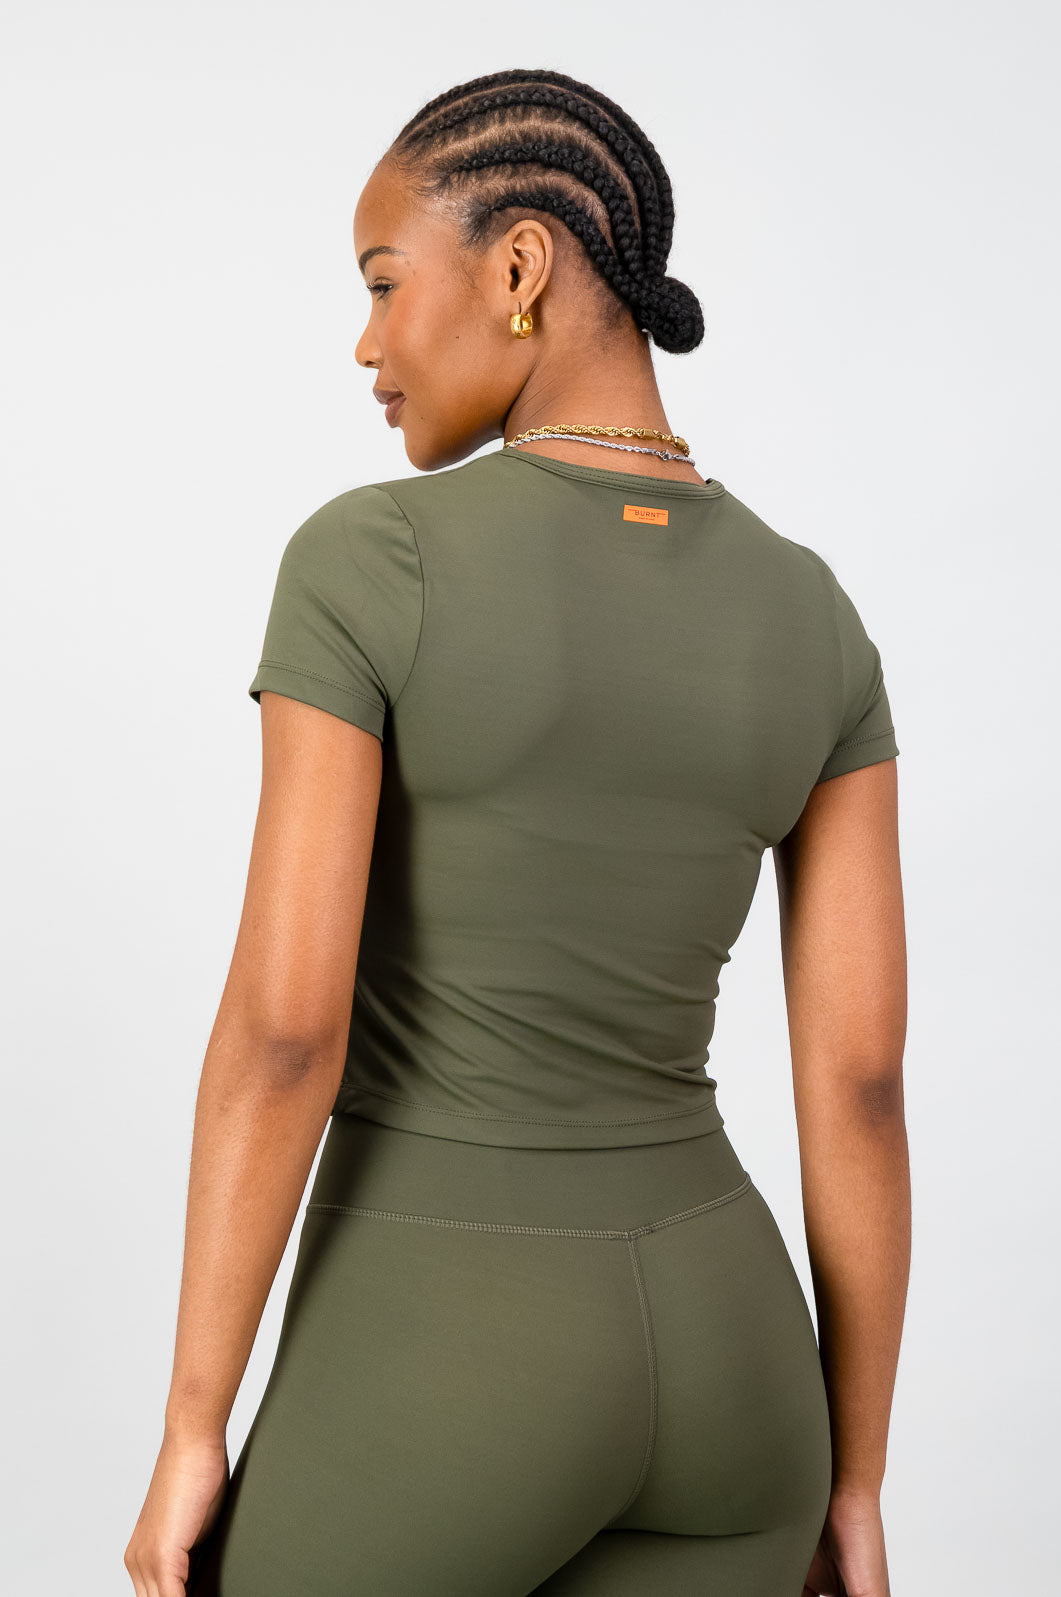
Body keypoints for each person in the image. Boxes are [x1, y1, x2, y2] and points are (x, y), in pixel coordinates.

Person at [125, 67, 909, 1597]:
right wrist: (856, 1474)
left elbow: (286, 1031)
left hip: (448, 1348)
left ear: (520, 267)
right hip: (738, 1377)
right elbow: (862, 1083)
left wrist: (192, 1422)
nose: (365, 343)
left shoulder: (372, 559)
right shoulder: (814, 613)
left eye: (381, 282)